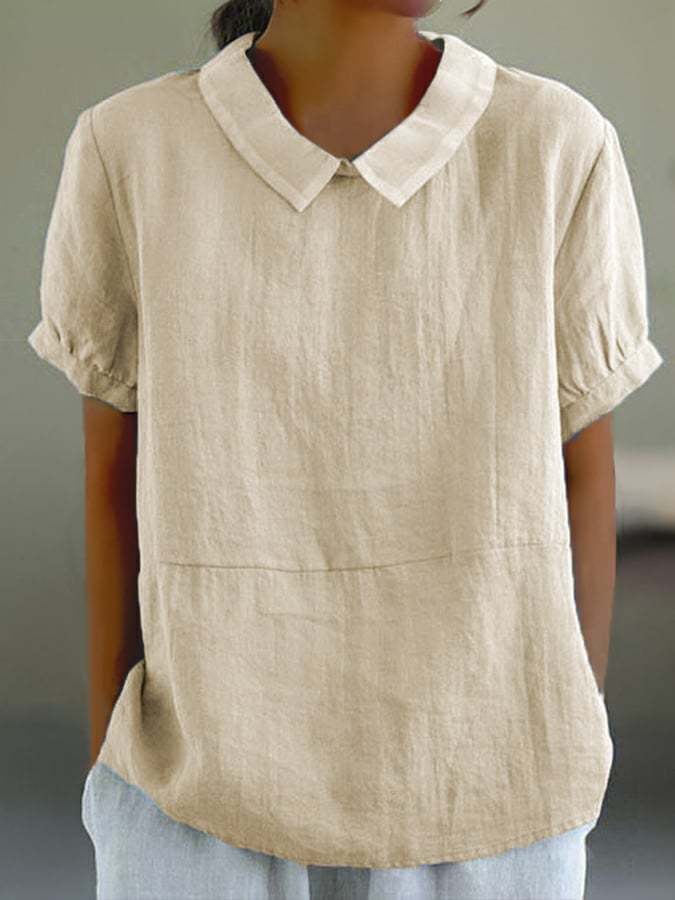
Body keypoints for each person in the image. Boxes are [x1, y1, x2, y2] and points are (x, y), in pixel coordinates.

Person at [27, 0, 664, 897]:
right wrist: (118, 776)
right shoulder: (132, 148)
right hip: (194, 800)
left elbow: (580, 474)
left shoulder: (554, 143)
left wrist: (564, 727)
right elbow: (113, 483)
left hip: (498, 796)